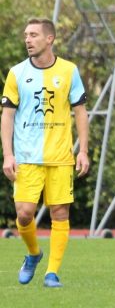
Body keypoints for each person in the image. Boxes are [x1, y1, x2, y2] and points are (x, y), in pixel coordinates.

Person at [1, 18, 90, 288]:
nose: (28, 39)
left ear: (49, 39)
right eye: (26, 35)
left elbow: (80, 112)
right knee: (24, 213)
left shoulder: (69, 71)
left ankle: (52, 272)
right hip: (27, 156)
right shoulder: (17, 73)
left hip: (61, 157)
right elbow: (7, 116)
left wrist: (83, 150)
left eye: (34, 35)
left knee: (60, 213)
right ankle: (33, 254)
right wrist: (8, 153)